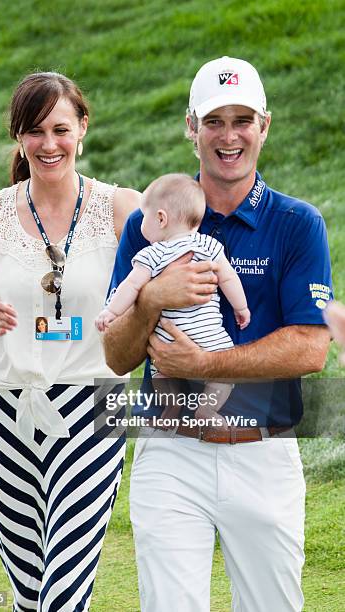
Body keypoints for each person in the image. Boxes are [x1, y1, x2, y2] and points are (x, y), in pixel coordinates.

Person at [103, 56, 332, 612]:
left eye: (242, 120)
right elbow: (116, 356)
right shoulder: (150, 220)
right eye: (213, 121)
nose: (228, 136)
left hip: (263, 455)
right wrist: (152, 298)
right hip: (170, 452)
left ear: (264, 126)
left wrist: (204, 366)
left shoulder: (297, 223)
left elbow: (311, 347)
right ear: (191, 127)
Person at [0, 71, 139, 612]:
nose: (48, 144)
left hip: (96, 407)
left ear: (82, 128)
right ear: (19, 137)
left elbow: (158, 285)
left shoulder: (122, 208)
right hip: (5, 408)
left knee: (64, 591)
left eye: (60, 129)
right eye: (34, 131)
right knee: (30, 592)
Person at [96, 172, 250, 413]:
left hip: (166, 339)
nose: (141, 221)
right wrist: (241, 308)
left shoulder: (152, 254)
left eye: (144, 216)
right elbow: (229, 277)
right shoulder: (208, 245)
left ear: (160, 218)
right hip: (209, 336)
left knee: (161, 375)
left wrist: (111, 312)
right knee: (224, 376)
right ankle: (207, 409)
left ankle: (171, 407)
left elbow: (131, 286)